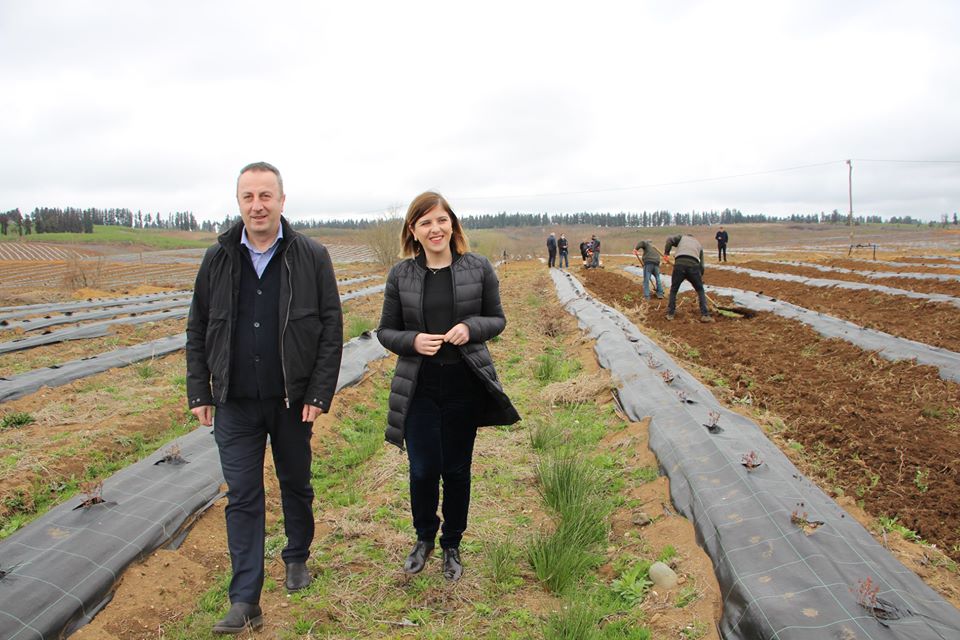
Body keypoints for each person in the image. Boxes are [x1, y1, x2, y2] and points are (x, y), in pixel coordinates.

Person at [186, 162, 344, 634]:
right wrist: (199, 389)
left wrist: (319, 390)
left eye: (265, 196)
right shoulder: (217, 258)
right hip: (235, 401)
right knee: (243, 495)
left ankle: (296, 556)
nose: (257, 205)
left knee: (295, 480)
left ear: (281, 201)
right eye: (248, 197)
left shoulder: (310, 255)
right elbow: (197, 327)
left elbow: (332, 328)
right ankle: (245, 600)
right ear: (239, 202)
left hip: (292, 400)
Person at [377, 191, 520, 582]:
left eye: (441, 220)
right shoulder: (401, 275)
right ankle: (424, 536)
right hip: (419, 385)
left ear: (452, 224)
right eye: (425, 222)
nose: (435, 228)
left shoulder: (478, 267)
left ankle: (452, 543)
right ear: (414, 230)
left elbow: (497, 319)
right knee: (423, 469)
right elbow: (385, 331)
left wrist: (470, 328)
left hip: (463, 384)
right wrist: (412, 341)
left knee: (456, 470)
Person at [664, 233, 713, 322]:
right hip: (694, 266)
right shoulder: (698, 244)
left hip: (679, 264)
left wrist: (666, 254)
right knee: (700, 290)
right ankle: (705, 315)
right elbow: (701, 266)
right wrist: (699, 278)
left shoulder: (681, 238)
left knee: (674, 290)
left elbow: (669, 240)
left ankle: (670, 314)